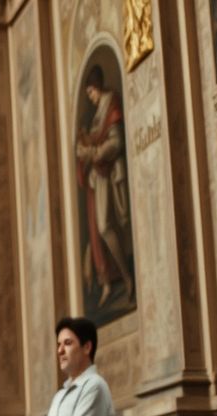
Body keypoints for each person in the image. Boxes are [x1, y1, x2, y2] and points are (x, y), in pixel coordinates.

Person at [75, 65, 133, 309]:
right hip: (100, 177)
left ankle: (128, 277)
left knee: (108, 226)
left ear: (97, 87)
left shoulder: (110, 103)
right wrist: (86, 151)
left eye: (91, 91)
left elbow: (117, 141)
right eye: (87, 92)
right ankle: (125, 276)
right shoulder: (99, 110)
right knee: (103, 227)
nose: (89, 96)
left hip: (111, 173)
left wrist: (94, 152)